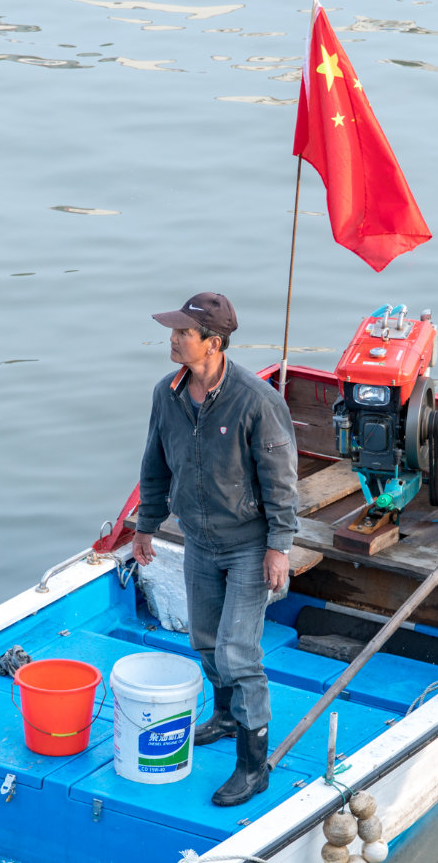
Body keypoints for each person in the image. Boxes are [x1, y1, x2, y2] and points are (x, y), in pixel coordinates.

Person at [132, 291, 300, 807]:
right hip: (199, 543)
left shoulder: (257, 400)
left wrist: (279, 546)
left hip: (249, 546)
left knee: (237, 651)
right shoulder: (169, 393)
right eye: (176, 330)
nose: (174, 338)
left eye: (184, 332)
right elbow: (155, 462)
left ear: (214, 342)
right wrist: (147, 524)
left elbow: (281, 481)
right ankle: (226, 717)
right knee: (205, 642)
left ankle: (254, 767)